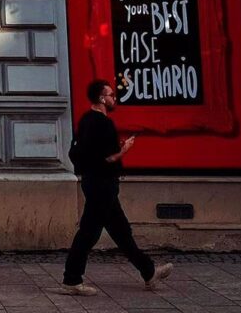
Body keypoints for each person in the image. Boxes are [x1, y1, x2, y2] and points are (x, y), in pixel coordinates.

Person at [62, 79, 173, 296]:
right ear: (102, 99)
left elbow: (89, 152)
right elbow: (107, 158)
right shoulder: (103, 123)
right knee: (89, 233)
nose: (114, 98)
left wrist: (115, 150)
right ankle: (71, 280)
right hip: (102, 184)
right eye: (111, 95)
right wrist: (125, 150)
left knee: (121, 232)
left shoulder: (86, 120)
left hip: (95, 182)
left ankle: (149, 272)